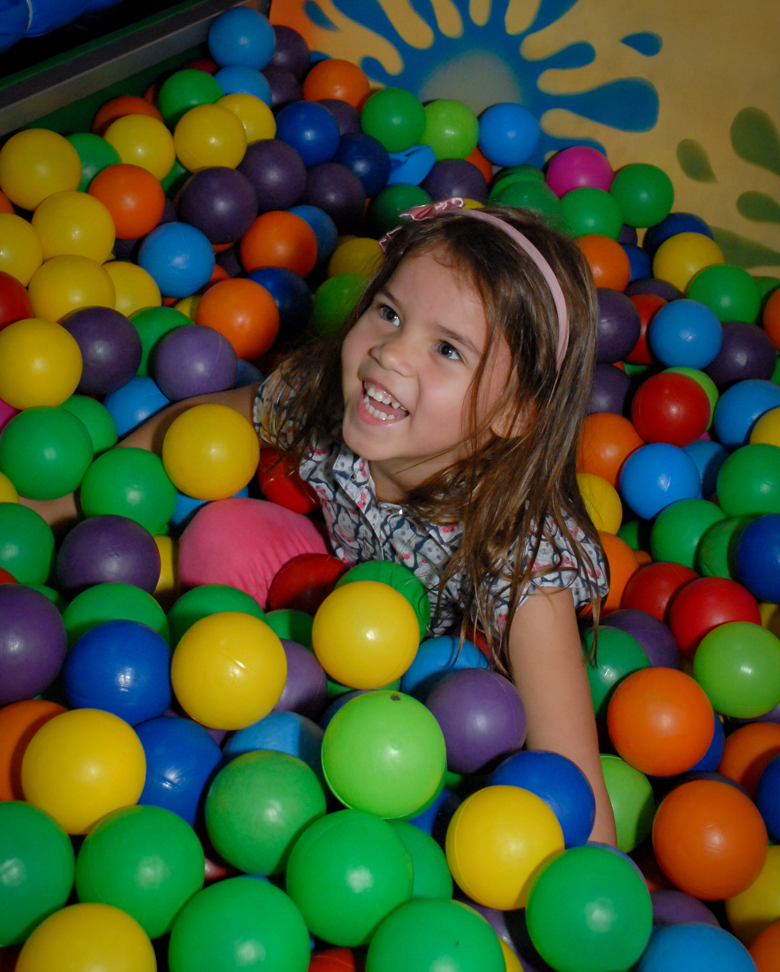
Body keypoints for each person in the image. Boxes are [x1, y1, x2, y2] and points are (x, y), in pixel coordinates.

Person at [26, 200, 616, 841]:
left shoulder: (520, 557)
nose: (390, 353)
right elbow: (192, 429)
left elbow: (573, 786)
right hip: (321, 598)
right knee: (221, 533)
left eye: (448, 349)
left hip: (426, 702)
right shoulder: (327, 398)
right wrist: (56, 516)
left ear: (516, 414)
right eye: (389, 312)